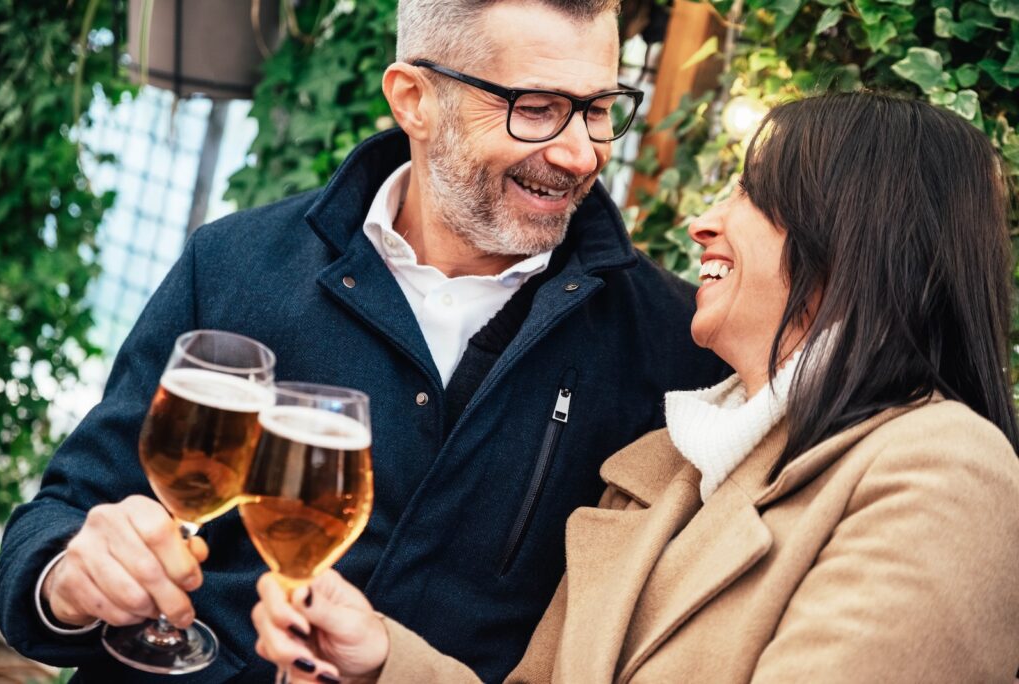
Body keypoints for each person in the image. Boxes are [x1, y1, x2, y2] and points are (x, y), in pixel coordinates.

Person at [0, 0, 728, 681]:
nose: (581, 154)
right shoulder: (232, 265)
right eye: (534, 109)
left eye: (599, 110)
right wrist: (66, 578)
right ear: (414, 99)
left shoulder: (674, 345)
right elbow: (60, 518)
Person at [250, 91, 1019, 683]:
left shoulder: (942, 470)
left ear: (856, 239)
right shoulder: (664, 466)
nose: (703, 224)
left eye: (751, 195)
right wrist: (384, 659)